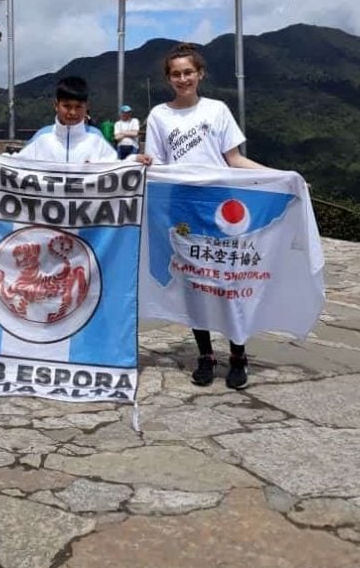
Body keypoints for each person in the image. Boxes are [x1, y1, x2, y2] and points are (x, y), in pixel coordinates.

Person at [144, 42, 265, 390]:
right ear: (169, 78)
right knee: (194, 284)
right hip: (181, 207)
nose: (183, 79)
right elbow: (158, 166)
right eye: (176, 73)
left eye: (188, 72)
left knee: (228, 281)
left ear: (200, 74)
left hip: (220, 207)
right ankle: (206, 355)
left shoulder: (217, 110)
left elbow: (234, 159)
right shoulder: (159, 116)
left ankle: (238, 354)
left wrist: (280, 175)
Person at [17, 75, 145, 163]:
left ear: (86, 107)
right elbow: (18, 165)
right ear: (56, 105)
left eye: (78, 107)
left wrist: (133, 161)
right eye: (66, 106)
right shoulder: (42, 137)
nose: (72, 112)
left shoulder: (96, 137)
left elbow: (114, 168)